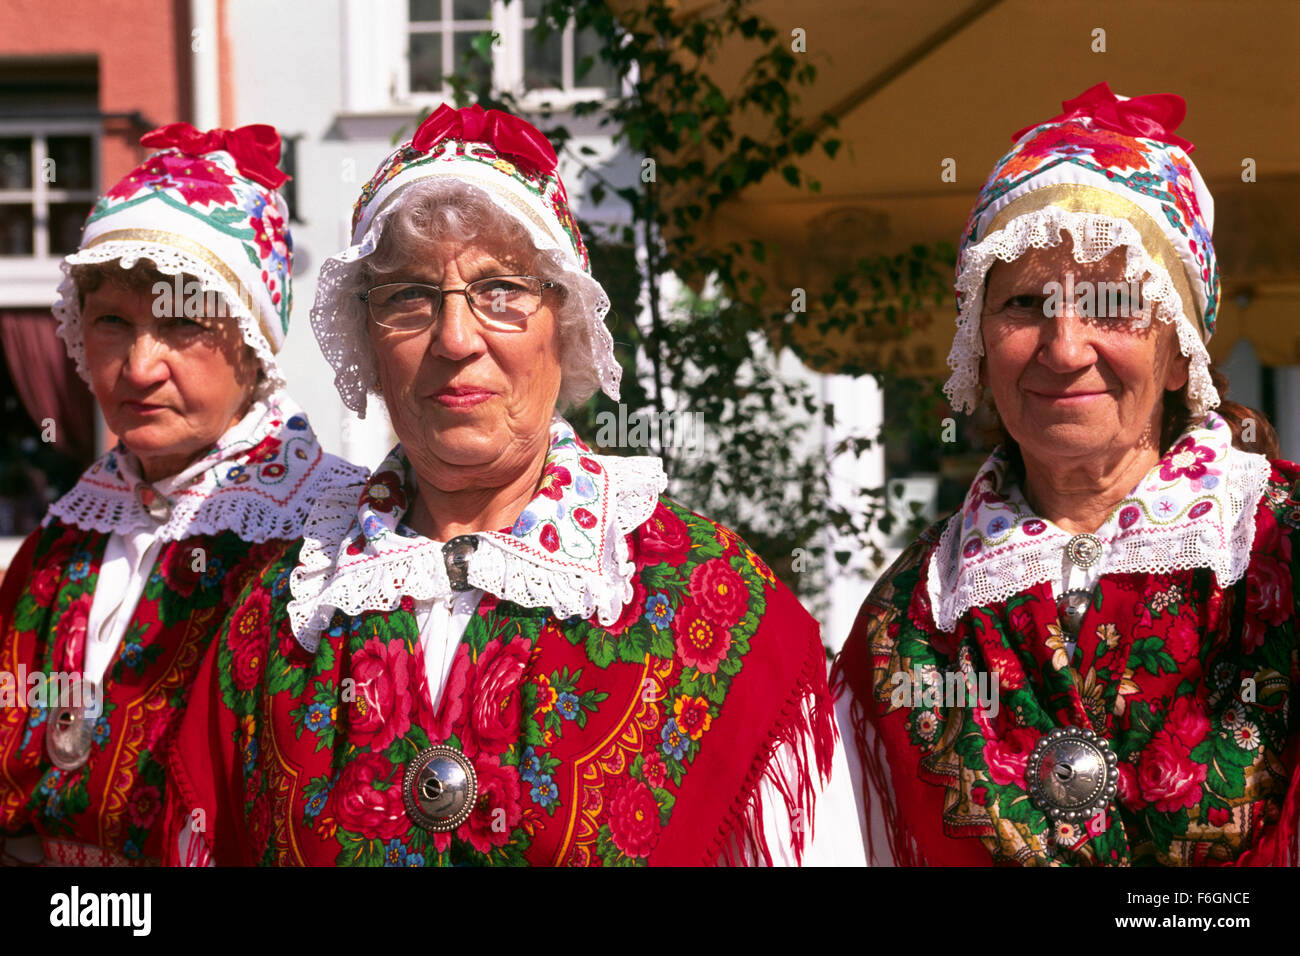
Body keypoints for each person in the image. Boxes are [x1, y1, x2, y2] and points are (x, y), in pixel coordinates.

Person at [162, 103, 862, 867]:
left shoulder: (706, 595)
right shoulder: (278, 614)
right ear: (368, 340)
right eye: (409, 297)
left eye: (501, 291)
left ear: (564, 326)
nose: (456, 339)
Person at [832, 83, 1300, 866]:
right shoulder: (910, 617)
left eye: (1111, 305)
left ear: (1180, 348)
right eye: (1023, 304)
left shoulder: (1279, 551)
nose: (1064, 347)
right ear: (978, 344)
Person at [0, 123, 363, 865]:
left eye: (180, 323)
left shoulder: (330, 536)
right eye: (112, 322)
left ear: (255, 340)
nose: (139, 367)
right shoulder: (65, 538)